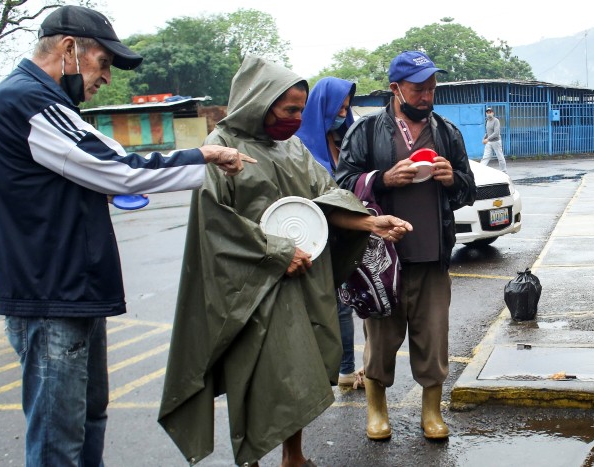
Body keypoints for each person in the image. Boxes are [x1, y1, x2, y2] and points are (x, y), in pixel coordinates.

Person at [0, 6, 254, 466]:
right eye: (104, 62)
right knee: (58, 441)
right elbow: (119, 169)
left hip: (73, 291)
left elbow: (106, 163)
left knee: (86, 426)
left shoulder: (51, 104)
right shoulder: (25, 100)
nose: (106, 77)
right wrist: (203, 156)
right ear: (69, 49)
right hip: (50, 296)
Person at [157, 56, 412, 466]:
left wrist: (370, 223)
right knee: (255, 374)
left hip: (299, 281)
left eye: (300, 109)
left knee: (298, 370)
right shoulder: (222, 148)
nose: (296, 118)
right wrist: (275, 252)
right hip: (247, 288)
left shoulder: (291, 148)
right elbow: (215, 222)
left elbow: (323, 202)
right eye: (289, 109)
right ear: (261, 101)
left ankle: (293, 456)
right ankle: (252, 458)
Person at [334, 50, 475, 441]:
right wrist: (382, 178)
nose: (427, 95)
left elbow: (467, 191)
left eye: (432, 87)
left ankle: (432, 412)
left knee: (433, 340)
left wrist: (452, 180)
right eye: (418, 88)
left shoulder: (446, 132)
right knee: (380, 341)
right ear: (396, 89)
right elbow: (342, 185)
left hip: (432, 257)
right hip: (381, 260)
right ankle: (377, 411)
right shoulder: (365, 131)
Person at [295, 76, 363, 388]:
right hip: (313, 239)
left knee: (344, 305)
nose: (343, 114)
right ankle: (331, 370)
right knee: (328, 307)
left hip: (343, 238)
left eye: (347, 108)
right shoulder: (299, 147)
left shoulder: (342, 140)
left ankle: (345, 368)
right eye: (339, 108)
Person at [480, 107, 507, 172]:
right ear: (486, 113)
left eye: (490, 112)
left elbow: (496, 133)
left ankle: (504, 171)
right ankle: (480, 171)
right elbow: (487, 132)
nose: (489, 114)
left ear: (493, 113)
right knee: (485, 157)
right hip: (489, 142)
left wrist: (487, 139)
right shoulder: (487, 121)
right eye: (487, 112)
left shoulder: (496, 121)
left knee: (500, 157)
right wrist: (484, 138)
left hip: (496, 141)